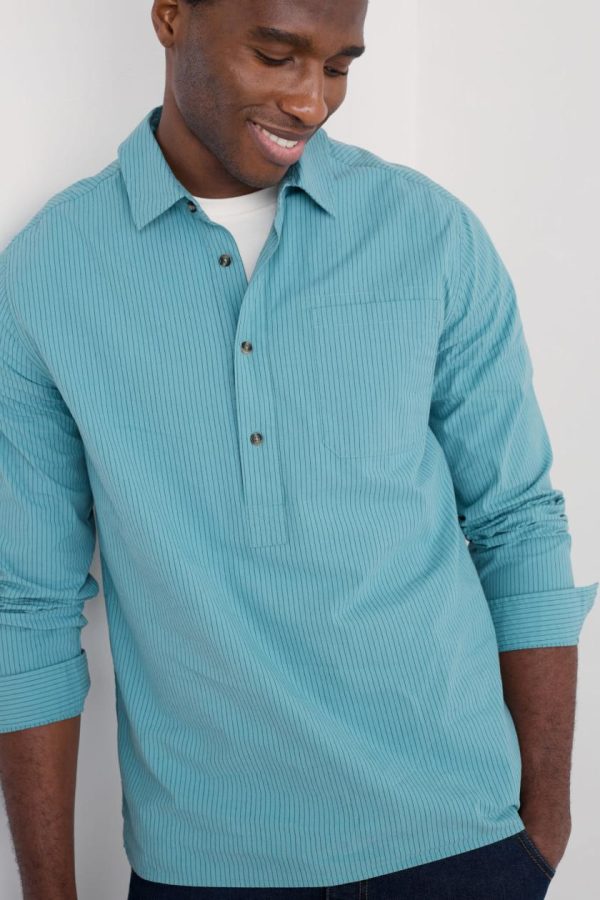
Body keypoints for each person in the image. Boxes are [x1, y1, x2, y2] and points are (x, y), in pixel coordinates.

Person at [0, 1, 597, 898]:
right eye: (276, 55)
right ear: (170, 17)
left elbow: (518, 522)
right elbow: (26, 606)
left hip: (462, 843)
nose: (311, 101)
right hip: (203, 865)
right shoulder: (51, 270)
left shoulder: (426, 232)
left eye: (339, 66)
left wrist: (544, 827)